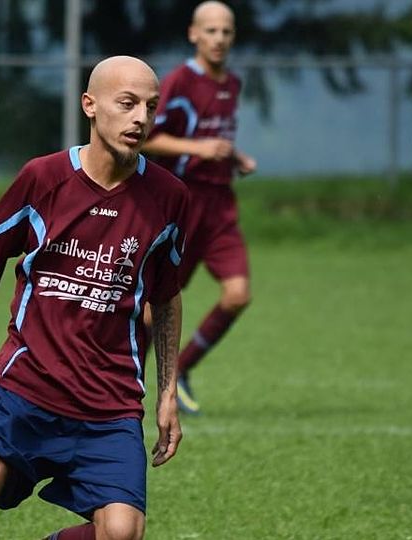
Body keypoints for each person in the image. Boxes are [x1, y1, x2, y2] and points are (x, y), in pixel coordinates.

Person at [0, 55, 189, 540]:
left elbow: (166, 297)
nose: (140, 117)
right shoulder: (43, 178)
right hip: (26, 386)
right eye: (127, 103)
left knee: (122, 533)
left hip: (110, 402)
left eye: (150, 106)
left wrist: (167, 394)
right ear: (90, 105)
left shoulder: (169, 197)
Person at [142, 1, 257, 415]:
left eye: (226, 31)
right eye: (211, 30)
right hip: (184, 205)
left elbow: (213, 137)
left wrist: (234, 157)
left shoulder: (232, 84)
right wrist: (199, 149)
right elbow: (147, 138)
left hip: (221, 207)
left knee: (238, 295)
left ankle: (182, 369)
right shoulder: (179, 81)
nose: (219, 38)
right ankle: (121, 382)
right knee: (153, 310)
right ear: (194, 34)